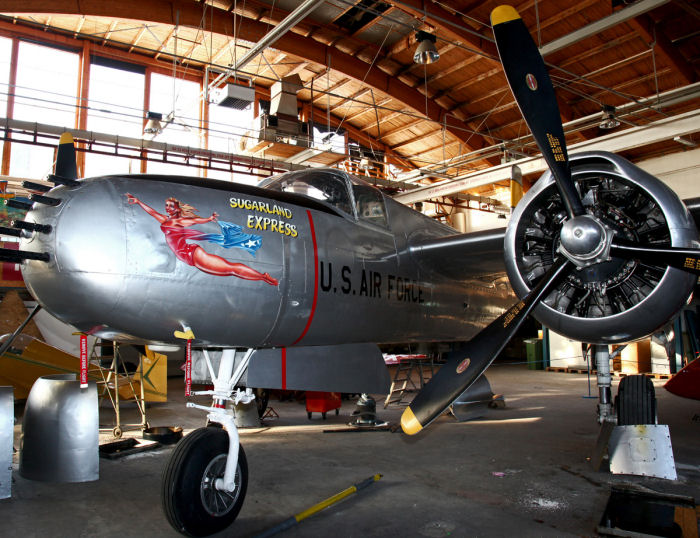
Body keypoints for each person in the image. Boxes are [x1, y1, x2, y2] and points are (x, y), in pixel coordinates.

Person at [125, 193, 278, 286]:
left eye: (171, 206)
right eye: (166, 206)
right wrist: (138, 202)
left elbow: (195, 221)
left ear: (177, 209)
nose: (168, 208)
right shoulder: (165, 220)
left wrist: (208, 219)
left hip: (192, 254)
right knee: (229, 271)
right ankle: (262, 277)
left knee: (230, 269)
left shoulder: (179, 221)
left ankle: (263, 277)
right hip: (188, 257)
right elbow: (152, 212)